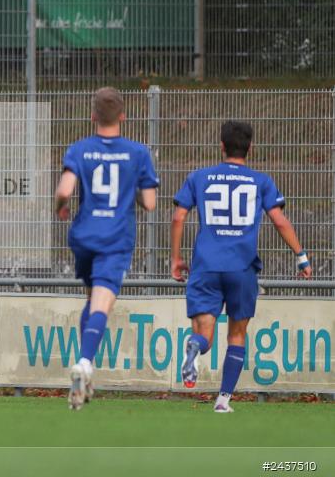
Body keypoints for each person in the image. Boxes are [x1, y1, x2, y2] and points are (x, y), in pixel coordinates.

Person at [171, 121, 311, 413]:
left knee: (204, 332)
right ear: (251, 148)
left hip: (206, 266)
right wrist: (301, 255)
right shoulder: (260, 181)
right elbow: (279, 221)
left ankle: (195, 346)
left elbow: (178, 216)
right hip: (241, 268)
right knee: (237, 334)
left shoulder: (199, 177)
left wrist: (176, 257)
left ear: (221, 146)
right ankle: (223, 400)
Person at [55, 87, 159, 410]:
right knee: (102, 302)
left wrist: (61, 206)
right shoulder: (138, 153)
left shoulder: (80, 149)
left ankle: (86, 374)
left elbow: (65, 190)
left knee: (92, 298)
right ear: (123, 117)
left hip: (84, 236)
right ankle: (84, 363)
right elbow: (151, 204)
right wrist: (136, 193)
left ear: (93, 116)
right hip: (115, 238)